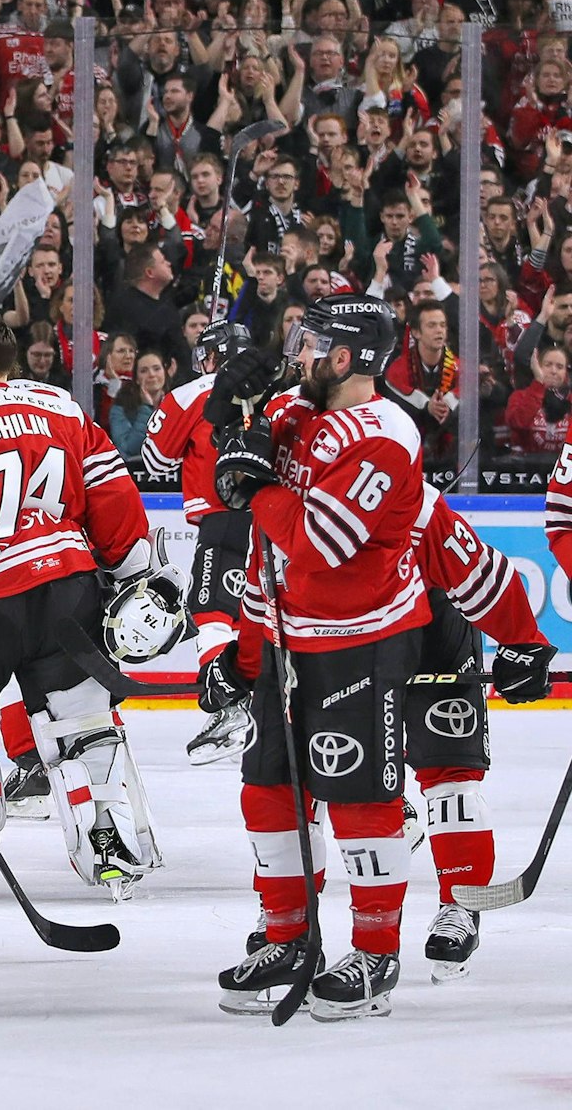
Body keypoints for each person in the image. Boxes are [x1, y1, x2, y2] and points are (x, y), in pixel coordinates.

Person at [205, 296, 433, 1019]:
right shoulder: (305, 412)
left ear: (343, 359)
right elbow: (242, 468)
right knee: (268, 788)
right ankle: (289, 938)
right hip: (284, 635)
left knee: (362, 797)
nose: (296, 353)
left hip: (359, 638)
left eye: (310, 344)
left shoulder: (384, 435)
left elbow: (318, 543)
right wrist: (228, 407)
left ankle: (374, 953)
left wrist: (259, 486)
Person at [0, 318, 177, 900]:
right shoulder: (64, 409)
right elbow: (113, 500)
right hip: (66, 592)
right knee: (87, 728)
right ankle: (110, 847)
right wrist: (133, 573)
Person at [400, 485, 554, 979]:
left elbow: (483, 573)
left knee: (451, 772)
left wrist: (523, 642)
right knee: (317, 767)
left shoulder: (414, 502)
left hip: (430, 617)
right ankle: (288, 920)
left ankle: (461, 902)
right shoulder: (288, 494)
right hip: (337, 627)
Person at [140, 319, 257, 764]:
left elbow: (155, 457)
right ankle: (267, 704)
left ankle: (228, 709)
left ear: (213, 355)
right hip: (276, 525)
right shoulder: (280, 390)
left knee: (210, 613)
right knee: (260, 615)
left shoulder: (192, 393)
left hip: (222, 522)